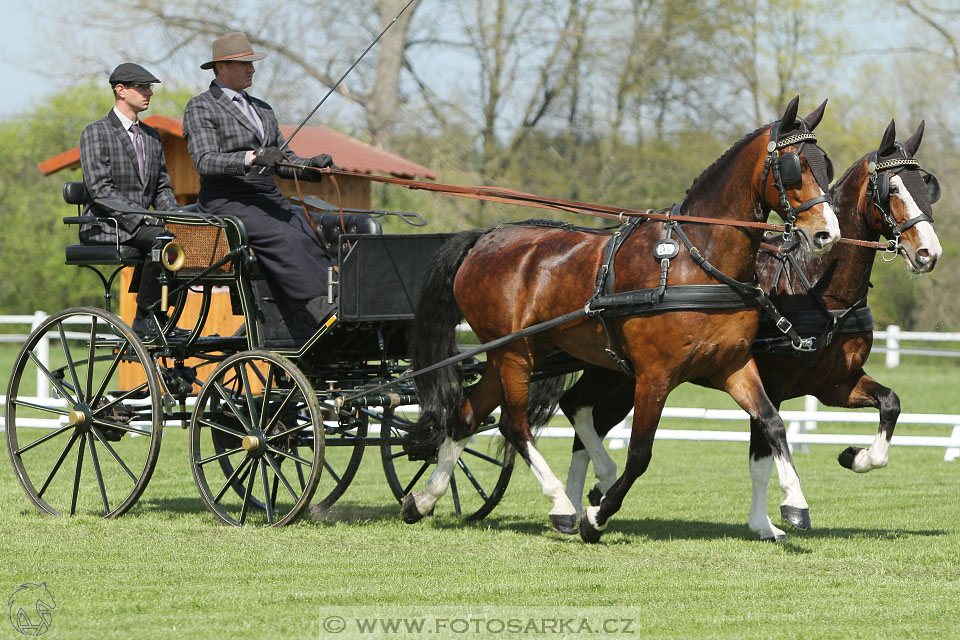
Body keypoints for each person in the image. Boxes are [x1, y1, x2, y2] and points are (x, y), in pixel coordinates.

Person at [182, 32, 337, 342]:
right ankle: (319, 309)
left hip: (268, 196)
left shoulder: (263, 109)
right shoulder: (201, 107)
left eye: (252, 64)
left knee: (312, 232)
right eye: (244, 64)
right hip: (229, 198)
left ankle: (332, 301)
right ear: (221, 67)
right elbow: (204, 161)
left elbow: (283, 157)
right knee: (282, 236)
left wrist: (310, 167)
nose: (251, 69)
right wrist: (251, 157)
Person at [79, 62, 187, 339]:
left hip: (142, 226)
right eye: (142, 87)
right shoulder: (96, 132)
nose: (149, 92)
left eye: (150, 87)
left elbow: (162, 187)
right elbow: (101, 190)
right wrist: (142, 217)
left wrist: (178, 217)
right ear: (121, 90)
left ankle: (163, 319)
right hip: (107, 225)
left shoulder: (151, 136)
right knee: (163, 238)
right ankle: (145, 319)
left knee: (184, 235)